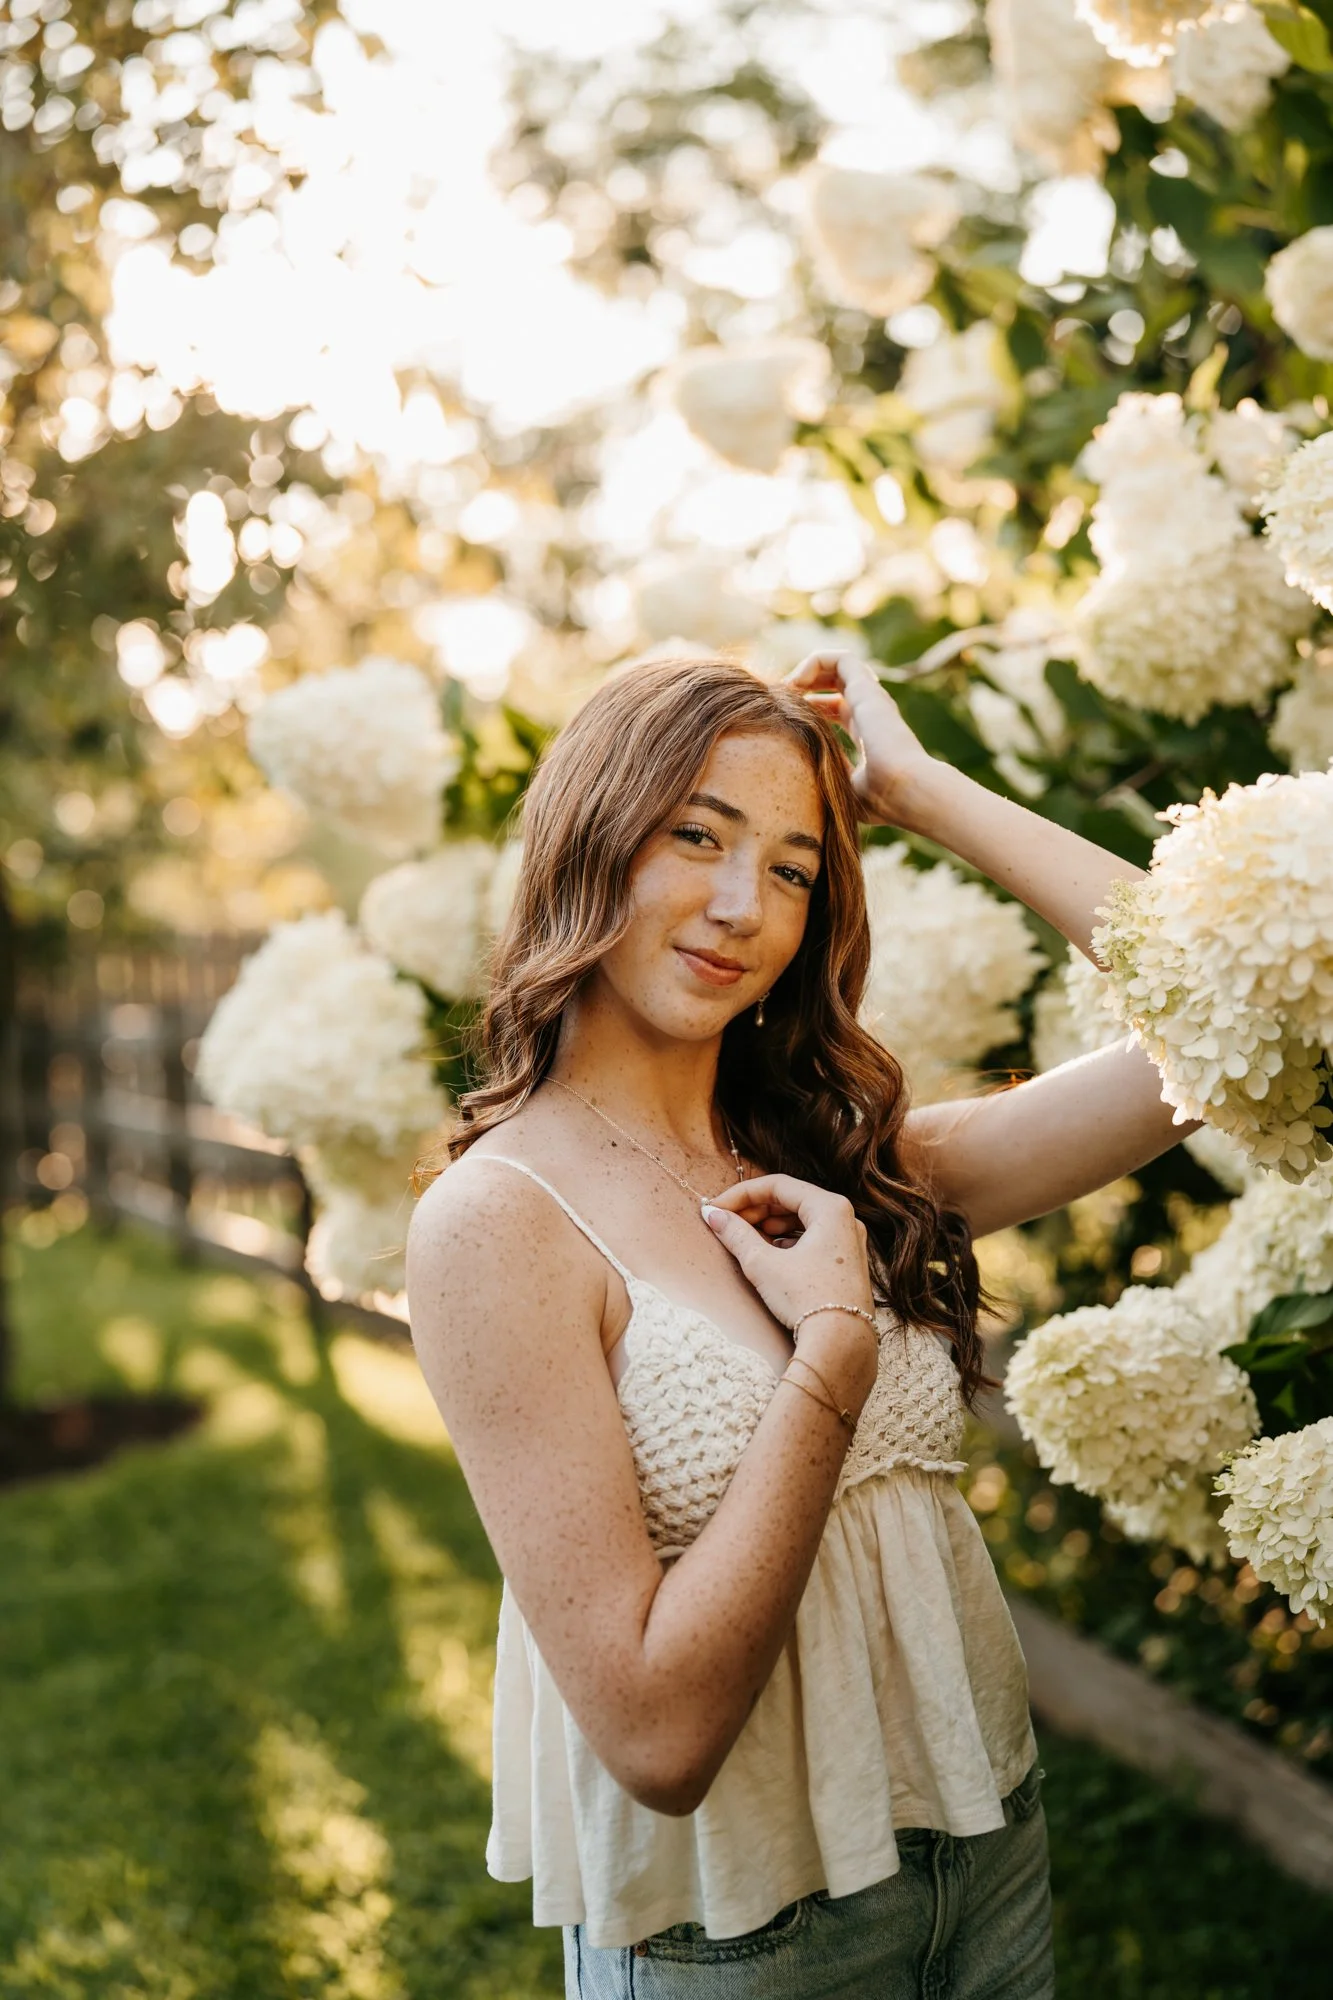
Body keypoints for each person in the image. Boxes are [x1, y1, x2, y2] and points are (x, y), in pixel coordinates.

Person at [406, 651, 1195, 1999]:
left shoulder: (854, 1162)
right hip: (744, 1932)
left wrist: (926, 791)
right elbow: (656, 1735)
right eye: (698, 836)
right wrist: (829, 1352)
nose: (739, 908)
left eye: (791, 867)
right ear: (591, 839)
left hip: (987, 1847)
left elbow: (1241, 1018)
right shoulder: (499, 1224)